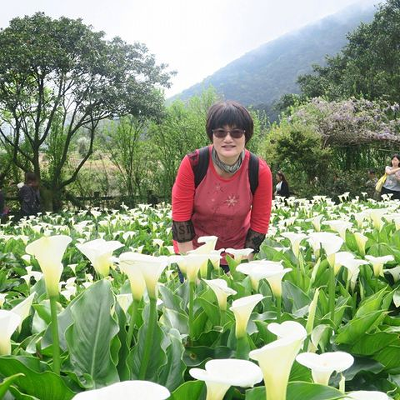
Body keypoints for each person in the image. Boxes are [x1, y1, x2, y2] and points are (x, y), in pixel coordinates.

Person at [172, 100, 272, 264]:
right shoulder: (194, 163)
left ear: (246, 136)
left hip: (237, 254)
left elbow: (260, 223)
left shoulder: (258, 170)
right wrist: (191, 267)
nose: (228, 139)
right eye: (220, 132)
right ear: (211, 135)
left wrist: (243, 265)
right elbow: (180, 218)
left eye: (236, 133)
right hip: (193, 250)